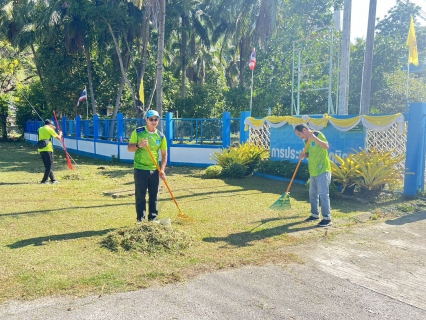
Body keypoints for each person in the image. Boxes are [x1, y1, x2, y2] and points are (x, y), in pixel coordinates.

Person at [128, 110, 167, 222]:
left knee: (154, 196)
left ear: (158, 121)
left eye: (156, 119)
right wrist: (139, 145)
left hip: (155, 170)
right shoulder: (139, 132)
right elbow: (130, 148)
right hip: (140, 169)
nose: (153, 121)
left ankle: (153, 219)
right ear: (146, 120)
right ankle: (140, 220)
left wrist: (162, 170)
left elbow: (164, 155)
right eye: (151, 119)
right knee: (140, 196)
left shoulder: (160, 136)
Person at [294, 124, 332, 227]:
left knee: (323, 194)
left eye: (299, 134)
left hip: (323, 170)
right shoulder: (306, 141)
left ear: (304, 130)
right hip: (313, 171)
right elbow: (308, 154)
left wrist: (314, 138)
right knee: (312, 194)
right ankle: (315, 214)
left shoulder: (318, 134)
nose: (299, 136)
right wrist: (303, 155)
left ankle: (327, 218)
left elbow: (326, 146)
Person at [38, 119, 63, 184]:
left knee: (47, 166)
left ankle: (53, 180)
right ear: (50, 125)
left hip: (41, 148)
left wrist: (52, 129)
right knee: (49, 165)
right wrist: (60, 133)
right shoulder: (50, 129)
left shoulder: (40, 128)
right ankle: (44, 180)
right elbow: (58, 138)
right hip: (48, 148)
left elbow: (46, 133)